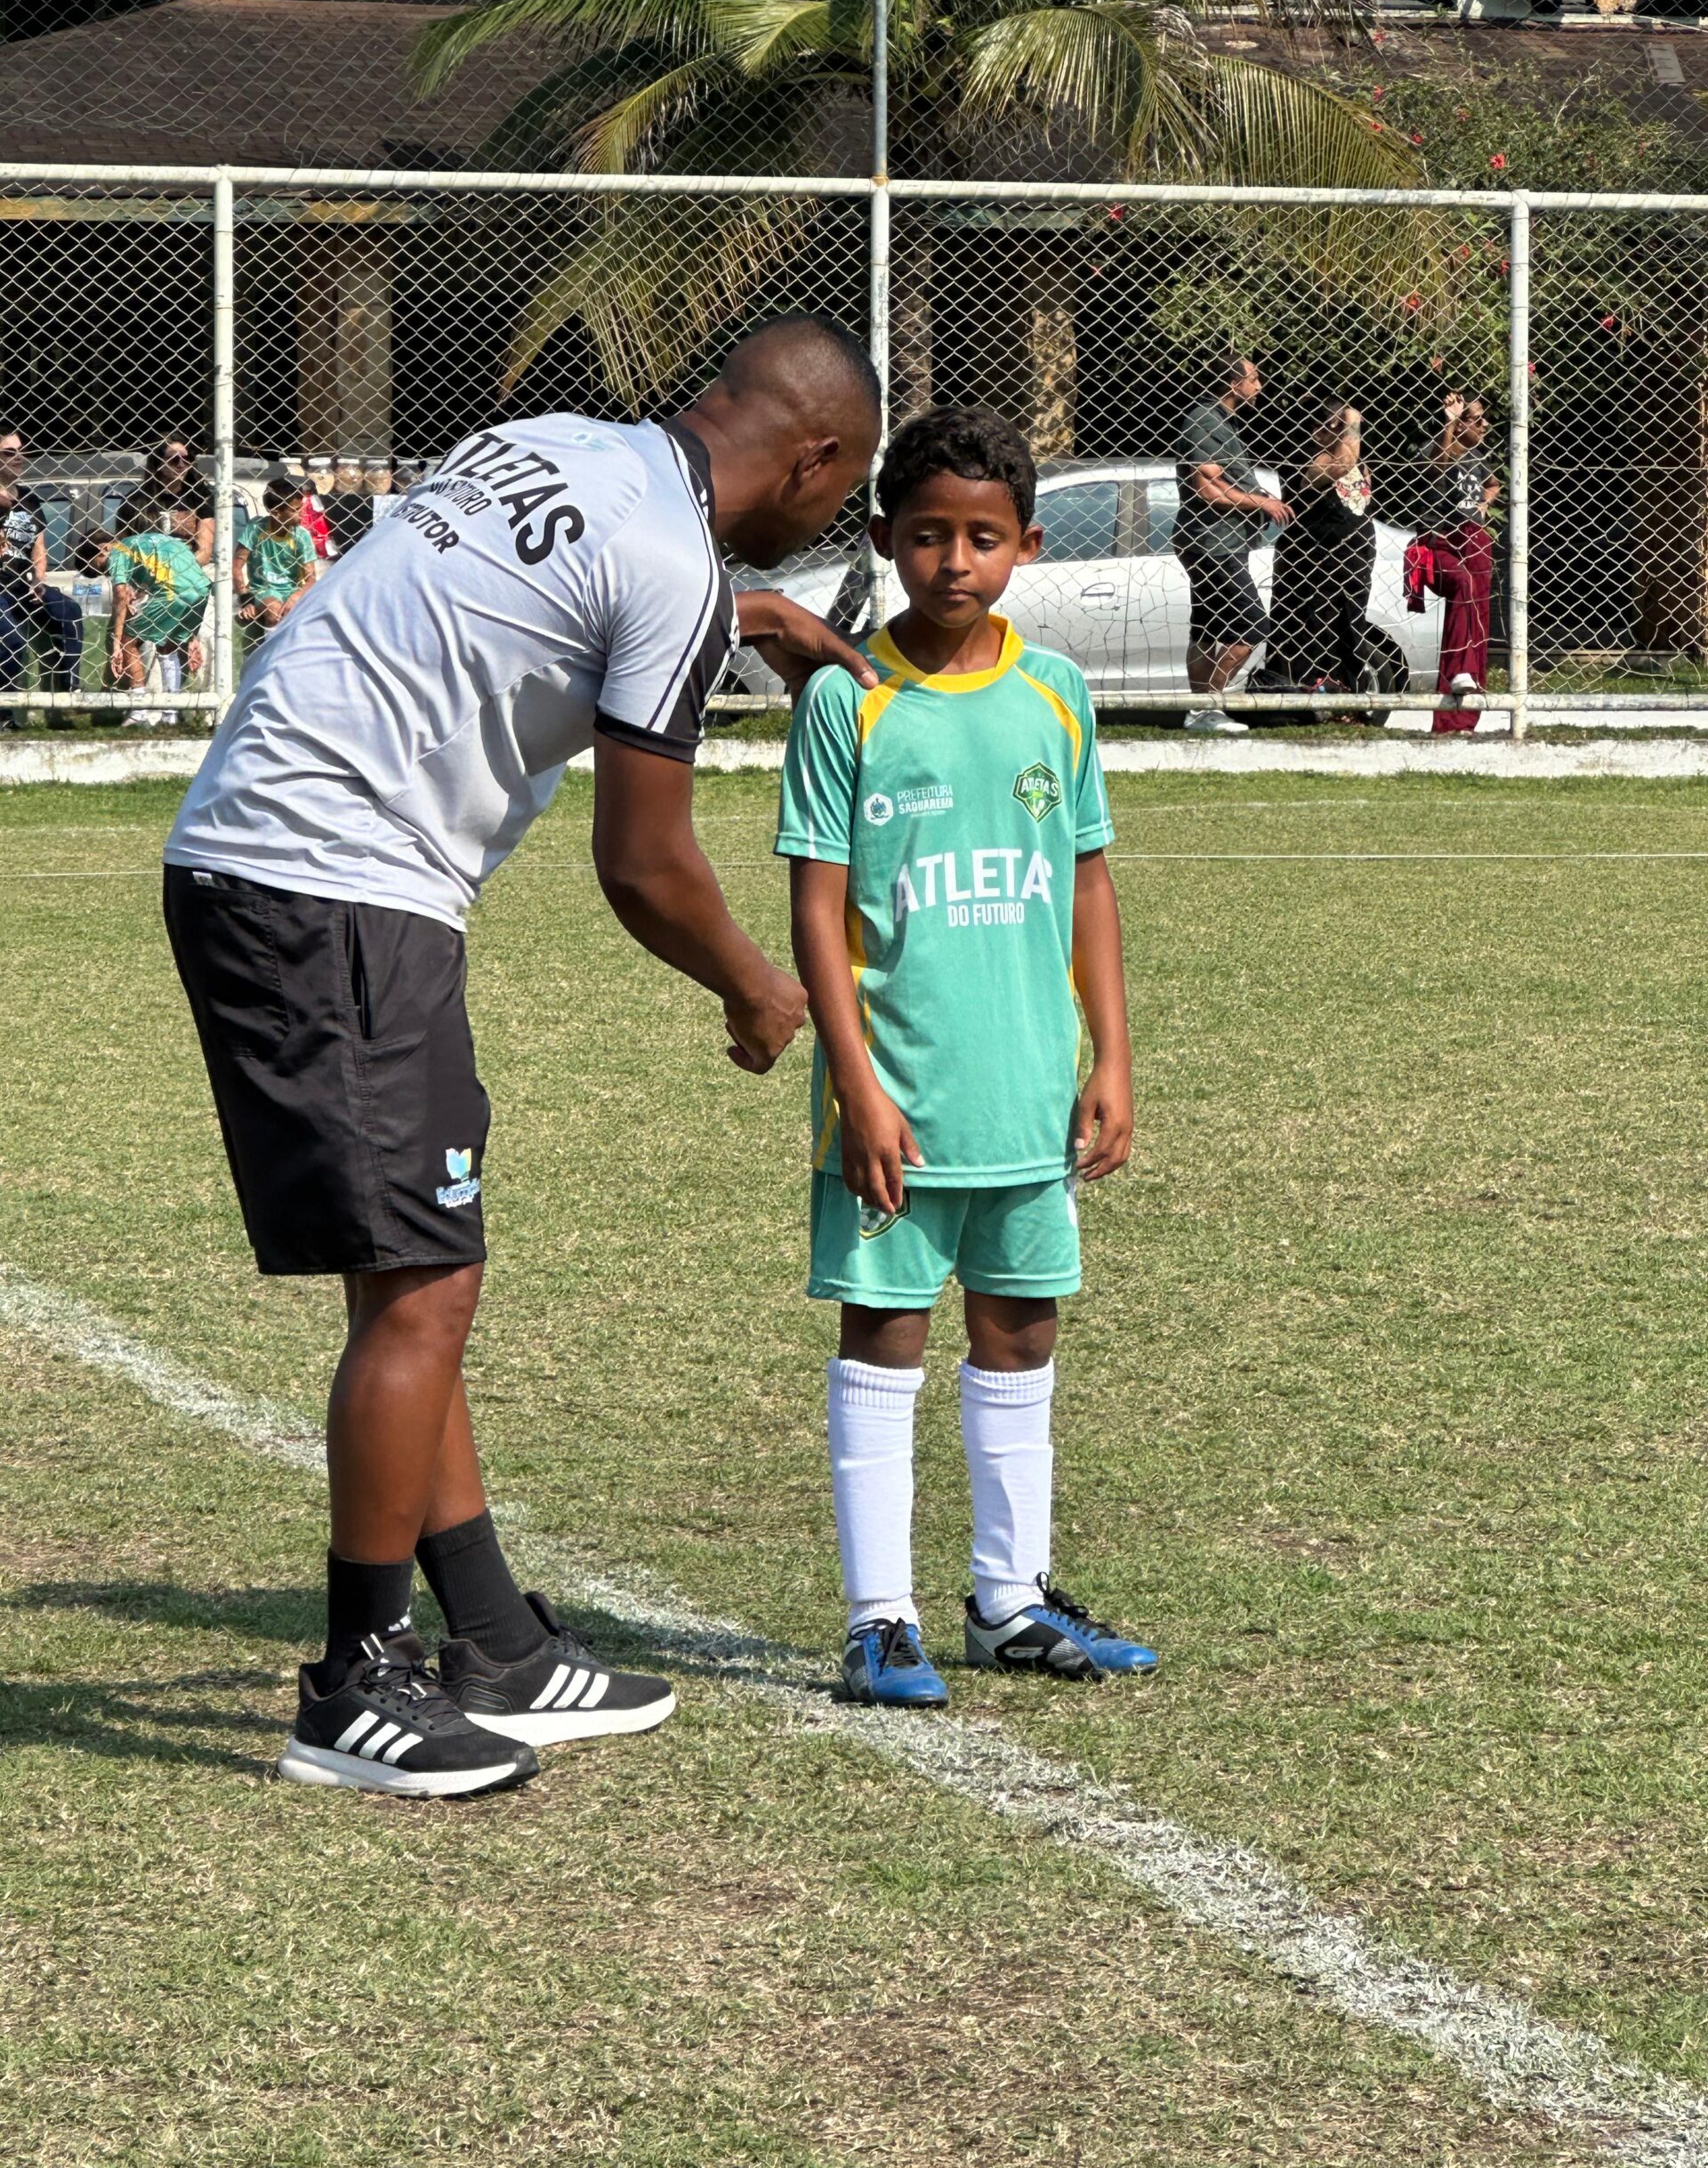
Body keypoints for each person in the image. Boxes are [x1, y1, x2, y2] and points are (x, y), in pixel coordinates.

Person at [160, 312, 882, 1800]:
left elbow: (535, 598)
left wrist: (766, 622)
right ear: (814, 458)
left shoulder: (559, 447)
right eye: (848, 488)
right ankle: (356, 1682)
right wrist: (753, 988)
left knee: (420, 1261)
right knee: (425, 1282)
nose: (837, 517)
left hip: (289, 856)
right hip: (335, 883)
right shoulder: (677, 568)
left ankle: (490, 1633)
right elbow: (645, 862)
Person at [776, 405, 1159, 1708]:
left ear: (1027, 548)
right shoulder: (849, 700)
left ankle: (1009, 1599)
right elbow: (816, 905)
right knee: (887, 1330)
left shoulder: (1054, 696)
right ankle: (878, 1617)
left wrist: (1108, 1057)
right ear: (882, 538)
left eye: (983, 538)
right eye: (928, 534)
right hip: (898, 1099)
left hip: (1024, 1090)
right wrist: (858, 1085)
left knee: (1021, 1325)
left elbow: (1089, 882)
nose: (954, 561)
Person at [1174, 355, 1293, 738]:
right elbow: (1206, 487)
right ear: (1231, 383)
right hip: (1212, 543)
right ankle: (1209, 704)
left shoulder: (1224, 423)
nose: (1259, 386)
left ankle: (1198, 712)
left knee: (1208, 629)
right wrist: (1263, 502)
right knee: (1253, 624)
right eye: (1254, 379)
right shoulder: (1203, 420)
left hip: (1222, 542)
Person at [1264, 402, 1406, 715]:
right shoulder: (1299, 458)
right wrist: (1353, 424)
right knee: (1308, 633)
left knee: (1350, 633)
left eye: (1342, 426)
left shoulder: (1356, 455)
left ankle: (1346, 702)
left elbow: (1362, 490)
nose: (1343, 432)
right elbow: (1341, 464)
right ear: (1317, 428)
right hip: (1311, 566)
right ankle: (1299, 703)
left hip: (1353, 563)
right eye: (1336, 425)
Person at [1411, 392, 1499, 736]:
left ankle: (1466, 714)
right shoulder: (1438, 447)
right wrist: (1449, 421)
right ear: (1460, 423)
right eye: (1477, 420)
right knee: (1460, 585)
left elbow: (1492, 484)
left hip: (1471, 536)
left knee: (1477, 613)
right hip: (1440, 538)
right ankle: (1457, 677)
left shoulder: (1479, 457)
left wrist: (1485, 503)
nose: (1485, 425)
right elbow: (1439, 466)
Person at [77, 513, 211, 729]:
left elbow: (120, 594)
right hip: (201, 590)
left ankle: (139, 709)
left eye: (102, 568)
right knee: (168, 647)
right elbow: (172, 567)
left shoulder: (118, 552)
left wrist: (117, 640)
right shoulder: (148, 540)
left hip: (171, 594)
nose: (108, 573)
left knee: (130, 641)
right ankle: (171, 714)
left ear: (104, 549)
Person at [0, 431, 85, 721]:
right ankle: (6, 713)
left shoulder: (30, 500)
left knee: (69, 611)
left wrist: (39, 580)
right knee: (11, 640)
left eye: (21, 451)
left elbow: (39, 548)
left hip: (23, 584)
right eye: (9, 452)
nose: (19, 457)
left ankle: (67, 693)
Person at [116, 437, 216, 567]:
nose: (181, 465)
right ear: (159, 463)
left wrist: (178, 571)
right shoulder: (135, 500)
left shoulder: (199, 497)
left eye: (186, 459)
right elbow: (123, 548)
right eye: (174, 460)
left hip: (186, 573)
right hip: (145, 573)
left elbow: (205, 551)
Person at [236, 478, 318, 627]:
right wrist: (245, 600)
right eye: (295, 510)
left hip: (292, 588)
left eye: (301, 508)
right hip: (263, 589)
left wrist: (297, 596)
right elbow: (236, 567)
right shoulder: (256, 529)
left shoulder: (301, 536)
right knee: (274, 612)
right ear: (276, 513)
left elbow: (311, 578)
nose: (302, 513)